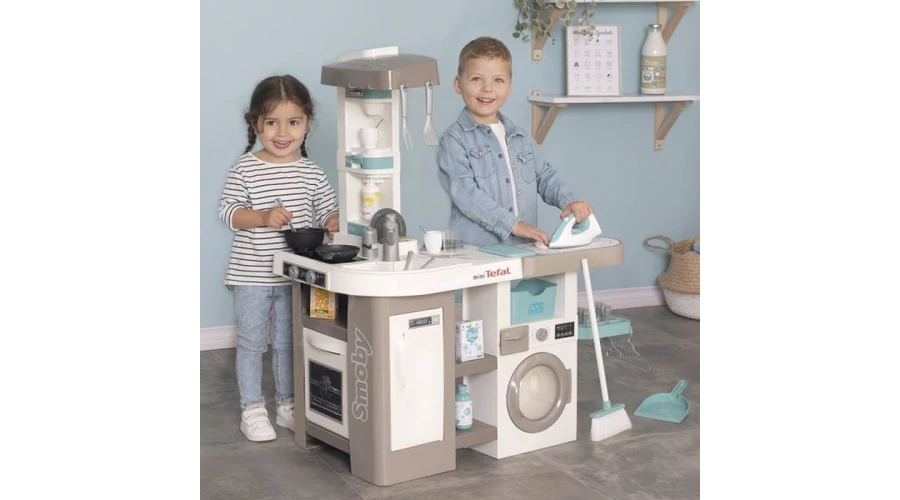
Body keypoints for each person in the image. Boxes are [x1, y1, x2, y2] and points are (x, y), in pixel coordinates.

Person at [218, 75, 339, 442]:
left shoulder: (311, 172)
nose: (283, 133)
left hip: (294, 277)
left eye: (293, 122)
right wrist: (262, 216)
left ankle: (287, 403)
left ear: (307, 124)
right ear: (256, 123)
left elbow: (329, 210)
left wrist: (334, 222)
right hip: (251, 275)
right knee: (252, 344)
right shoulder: (246, 168)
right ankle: (252, 409)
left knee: (288, 342)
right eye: (272, 122)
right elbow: (229, 212)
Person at [437, 36, 593, 248]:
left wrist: (569, 200)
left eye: (498, 80)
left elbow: (545, 177)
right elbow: (465, 193)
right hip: (478, 251)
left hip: (522, 247)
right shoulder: (454, 140)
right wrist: (512, 225)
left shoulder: (520, 138)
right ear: (458, 84)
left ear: (509, 87)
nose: (487, 89)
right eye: (476, 79)